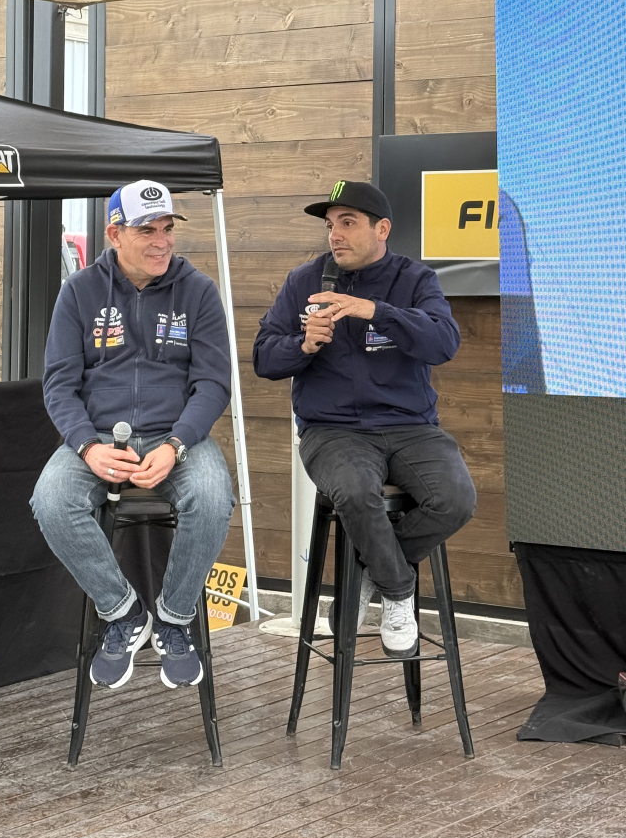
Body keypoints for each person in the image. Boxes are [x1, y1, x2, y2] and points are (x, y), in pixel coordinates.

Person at [253, 181, 476, 657]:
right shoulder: (304, 281)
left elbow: (444, 343)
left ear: (382, 229)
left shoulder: (414, 279)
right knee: (355, 492)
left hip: (411, 427)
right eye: (331, 225)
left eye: (348, 223)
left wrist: (374, 310)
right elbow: (263, 359)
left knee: (455, 499)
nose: (335, 234)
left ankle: (367, 576)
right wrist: (303, 345)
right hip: (332, 430)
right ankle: (397, 590)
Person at [31, 179, 235, 691]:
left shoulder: (199, 291)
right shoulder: (79, 291)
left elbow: (213, 384)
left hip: (177, 436)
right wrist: (87, 446)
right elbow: (58, 384)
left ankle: (174, 617)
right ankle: (122, 612)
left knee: (213, 497)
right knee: (51, 500)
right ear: (115, 234)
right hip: (97, 437)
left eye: (167, 228)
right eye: (148, 231)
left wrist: (177, 444)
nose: (162, 241)